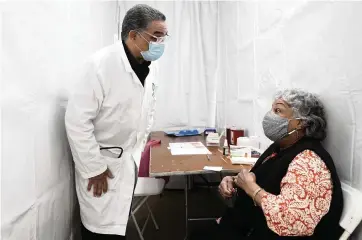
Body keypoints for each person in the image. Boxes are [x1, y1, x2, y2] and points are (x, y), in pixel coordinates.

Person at [64, 4, 168, 240]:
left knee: (119, 226)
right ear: (133, 35)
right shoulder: (100, 65)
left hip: (128, 163)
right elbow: (77, 121)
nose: (161, 43)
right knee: (99, 230)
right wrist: (94, 168)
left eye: (164, 37)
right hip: (103, 167)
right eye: (156, 36)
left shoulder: (150, 67)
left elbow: (147, 107)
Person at [191, 89, 344, 240]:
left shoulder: (309, 161)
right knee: (198, 232)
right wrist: (235, 181)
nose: (270, 116)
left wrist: (251, 188)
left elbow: (294, 222)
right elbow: (267, 179)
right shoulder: (280, 147)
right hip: (247, 227)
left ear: (301, 122)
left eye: (278, 110)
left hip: (265, 233)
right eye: (271, 110)